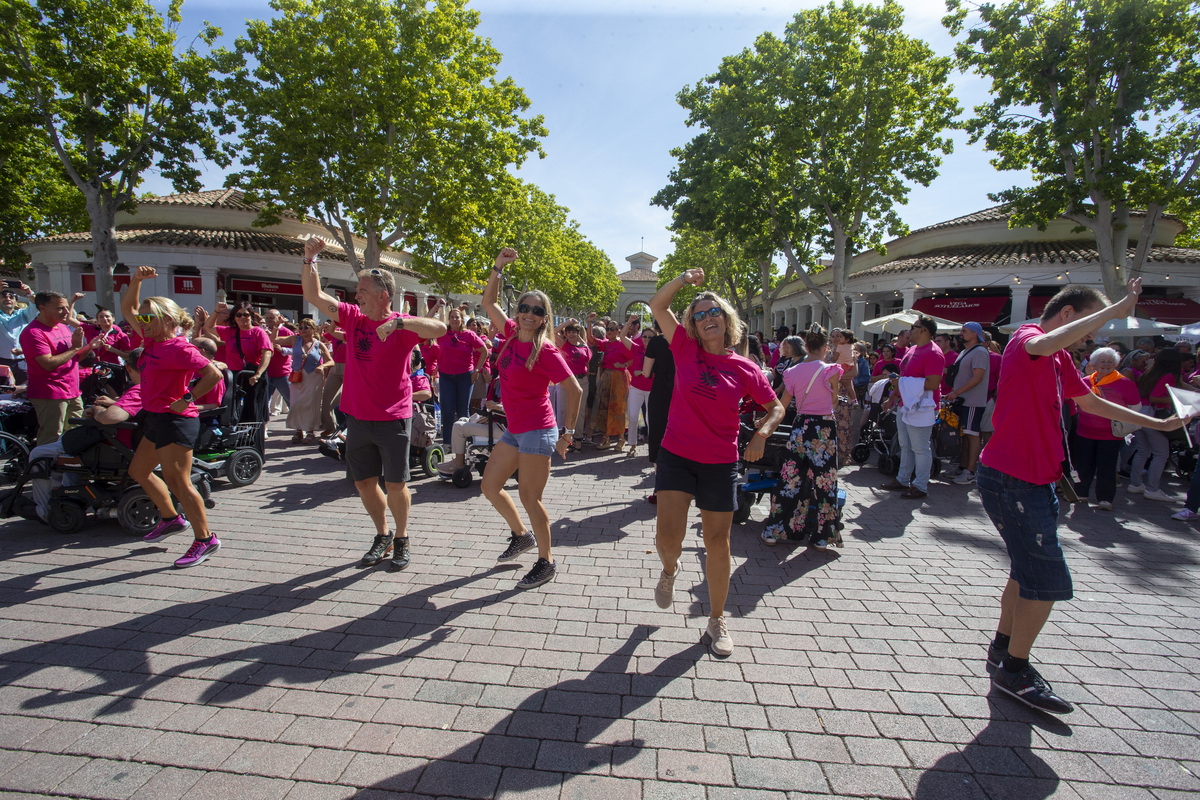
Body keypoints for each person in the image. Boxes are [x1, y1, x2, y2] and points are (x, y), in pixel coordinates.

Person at [978, 280, 1188, 715]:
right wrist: (1113, 310)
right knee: (1048, 581)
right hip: (1014, 479)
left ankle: (1002, 650)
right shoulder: (1027, 340)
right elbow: (1048, 341)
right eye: (1090, 329)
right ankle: (1014, 671)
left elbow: (1090, 403)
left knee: (1026, 571)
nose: (1092, 339)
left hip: (1033, 480)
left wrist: (1160, 425)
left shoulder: (1056, 357)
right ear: (1070, 315)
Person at [647, 270, 784, 658]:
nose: (708, 317)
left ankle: (717, 618)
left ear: (726, 320)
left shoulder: (745, 367)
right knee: (667, 539)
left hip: (720, 462)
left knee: (717, 543)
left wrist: (761, 434)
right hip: (676, 454)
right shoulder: (683, 348)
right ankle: (670, 570)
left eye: (715, 312)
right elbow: (657, 305)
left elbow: (774, 407)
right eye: (700, 313)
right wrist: (681, 280)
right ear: (693, 324)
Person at [301, 237, 447, 571]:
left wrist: (399, 322)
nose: (357, 297)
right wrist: (310, 261)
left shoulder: (402, 325)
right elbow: (314, 295)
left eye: (363, 291)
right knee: (364, 482)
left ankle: (402, 537)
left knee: (395, 484)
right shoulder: (353, 318)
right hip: (357, 417)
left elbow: (437, 327)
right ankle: (382, 534)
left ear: (383, 295)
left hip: (393, 417)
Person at [479, 247, 581, 589]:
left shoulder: (546, 350)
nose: (527, 314)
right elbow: (488, 303)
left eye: (536, 311)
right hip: (515, 429)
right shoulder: (509, 333)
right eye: (523, 308)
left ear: (544, 317)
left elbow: (575, 390)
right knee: (490, 486)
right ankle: (521, 535)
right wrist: (498, 268)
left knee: (529, 497)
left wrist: (568, 433)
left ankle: (546, 561)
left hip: (539, 430)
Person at [121, 267, 225, 568]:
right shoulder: (151, 340)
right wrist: (137, 281)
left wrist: (186, 399)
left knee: (179, 483)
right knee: (139, 471)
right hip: (155, 418)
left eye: (148, 317)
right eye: (142, 318)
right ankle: (170, 518)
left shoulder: (179, 347)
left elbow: (213, 374)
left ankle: (205, 539)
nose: (141, 321)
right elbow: (127, 308)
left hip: (177, 421)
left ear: (167, 320)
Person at [28, 347, 145, 524]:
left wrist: (96, 410)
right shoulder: (157, 389)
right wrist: (115, 403)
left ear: (128, 368)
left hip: (112, 446)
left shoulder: (138, 390)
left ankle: (44, 510)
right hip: (120, 443)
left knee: (38, 454)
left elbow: (111, 417)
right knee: (67, 454)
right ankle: (69, 496)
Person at [763, 326, 843, 548]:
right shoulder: (832, 370)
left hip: (801, 425)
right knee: (825, 482)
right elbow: (834, 402)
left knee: (790, 479)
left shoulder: (792, 372)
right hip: (825, 428)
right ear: (826, 347)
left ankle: (776, 530)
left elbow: (783, 404)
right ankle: (822, 536)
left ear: (806, 346)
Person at [20, 291, 102, 446]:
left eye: (66, 307)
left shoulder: (62, 327)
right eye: (60, 308)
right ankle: (44, 468)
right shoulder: (33, 332)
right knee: (51, 436)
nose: (66, 312)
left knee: (75, 434)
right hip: (50, 393)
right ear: (42, 308)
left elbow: (74, 358)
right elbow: (48, 364)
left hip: (72, 391)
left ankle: (67, 468)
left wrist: (90, 346)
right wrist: (74, 348)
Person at [881, 316, 944, 500]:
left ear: (923, 330)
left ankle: (920, 486)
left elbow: (933, 382)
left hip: (922, 407)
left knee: (920, 447)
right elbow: (903, 377)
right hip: (905, 404)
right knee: (905, 445)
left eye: (913, 327)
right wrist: (893, 398)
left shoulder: (933, 353)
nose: (909, 331)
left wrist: (903, 383)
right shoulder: (913, 350)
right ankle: (903, 479)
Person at [1070, 347, 1141, 511]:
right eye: (1102, 361)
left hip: (1111, 435)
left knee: (1107, 467)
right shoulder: (1085, 382)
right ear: (1094, 364)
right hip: (1085, 431)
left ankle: (1105, 499)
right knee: (1083, 465)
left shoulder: (1125, 383)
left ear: (1116, 364)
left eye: (1110, 362)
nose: (1106, 365)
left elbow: (1135, 408)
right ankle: (1081, 494)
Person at [205, 300, 273, 426]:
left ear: (251, 316)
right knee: (233, 408)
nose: (242, 318)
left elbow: (267, 354)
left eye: (246, 315)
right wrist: (217, 312)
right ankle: (235, 434)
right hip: (235, 375)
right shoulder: (230, 331)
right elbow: (208, 327)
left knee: (252, 409)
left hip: (252, 375)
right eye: (239, 315)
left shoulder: (258, 332)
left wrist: (258, 374)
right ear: (234, 317)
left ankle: (253, 437)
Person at [1128, 347, 1181, 502]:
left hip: (1140, 412)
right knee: (1161, 453)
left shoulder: (1150, 372)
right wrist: (1176, 400)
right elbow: (1154, 398)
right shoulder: (1169, 375)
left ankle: (1135, 483)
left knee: (1143, 450)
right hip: (1153, 414)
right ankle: (1152, 488)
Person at [944, 321, 990, 485]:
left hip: (972, 401)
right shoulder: (965, 351)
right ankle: (963, 466)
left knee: (972, 435)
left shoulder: (980, 352)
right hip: (962, 400)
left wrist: (957, 392)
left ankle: (970, 471)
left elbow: (977, 377)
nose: (961, 334)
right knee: (964, 436)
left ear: (974, 334)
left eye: (964, 331)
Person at [436, 306, 489, 446]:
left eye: (457, 317)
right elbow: (429, 324)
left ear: (461, 320)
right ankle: (447, 442)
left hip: (465, 376)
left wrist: (477, 371)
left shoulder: (469, 335)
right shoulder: (442, 333)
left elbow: (484, 351)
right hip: (446, 376)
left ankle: (463, 443)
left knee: (462, 409)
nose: (454, 319)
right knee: (447, 409)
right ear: (448, 319)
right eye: (452, 317)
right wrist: (436, 307)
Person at [274, 318, 334, 443]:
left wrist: (322, 366)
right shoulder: (295, 339)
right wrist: (276, 326)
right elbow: (274, 340)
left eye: (306, 327)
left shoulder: (319, 344)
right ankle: (298, 430)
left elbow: (331, 361)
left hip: (313, 376)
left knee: (311, 405)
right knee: (296, 404)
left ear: (313, 329)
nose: (302, 330)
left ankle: (310, 431)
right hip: (297, 376)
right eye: (300, 327)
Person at [587, 314, 634, 451]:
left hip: (620, 378)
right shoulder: (606, 343)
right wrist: (589, 322)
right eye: (608, 329)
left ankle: (621, 439)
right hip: (606, 378)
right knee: (605, 408)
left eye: (613, 329)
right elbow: (591, 339)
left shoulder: (623, 343)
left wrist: (624, 364)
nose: (610, 331)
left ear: (618, 330)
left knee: (619, 408)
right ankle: (605, 437)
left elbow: (634, 358)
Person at [641, 318, 675, 504]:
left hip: (661, 394)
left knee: (658, 437)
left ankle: (660, 488)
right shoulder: (687, 340)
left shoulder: (656, 342)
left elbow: (646, 373)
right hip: (682, 395)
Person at [552, 319, 591, 453]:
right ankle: (566, 439)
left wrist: (579, 333)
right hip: (567, 381)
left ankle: (578, 440)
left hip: (582, 381)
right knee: (564, 410)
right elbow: (553, 332)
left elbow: (588, 363)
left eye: (574, 332)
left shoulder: (584, 346)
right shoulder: (564, 344)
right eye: (568, 332)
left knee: (579, 412)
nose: (571, 334)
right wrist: (567, 322)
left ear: (578, 333)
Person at [621, 324, 655, 457]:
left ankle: (652, 448)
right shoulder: (637, 348)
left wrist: (641, 372)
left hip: (652, 389)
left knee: (650, 419)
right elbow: (622, 336)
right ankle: (632, 446)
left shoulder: (660, 351)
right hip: (636, 388)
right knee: (633, 417)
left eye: (650, 337)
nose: (646, 339)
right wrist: (629, 321)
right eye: (644, 336)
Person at [0, 282, 37, 383]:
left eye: (11, 297)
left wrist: (29, 292)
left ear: (16, 301)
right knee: (4, 392)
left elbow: (36, 305)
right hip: (2, 362)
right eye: (3, 296)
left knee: (26, 390)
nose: (8, 299)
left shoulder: (23, 314)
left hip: (22, 362)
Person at [263, 308, 294, 416]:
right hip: (266, 372)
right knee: (263, 402)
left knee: (292, 401)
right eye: (267, 318)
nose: (269, 320)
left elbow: (296, 350)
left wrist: (283, 350)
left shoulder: (286, 332)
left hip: (282, 373)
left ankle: (300, 428)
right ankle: (263, 428)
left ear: (278, 318)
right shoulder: (262, 331)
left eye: (271, 318)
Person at [318, 320, 346, 435]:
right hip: (335, 366)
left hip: (350, 367)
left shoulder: (354, 332)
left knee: (346, 400)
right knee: (327, 397)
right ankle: (330, 426)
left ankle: (345, 428)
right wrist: (321, 328)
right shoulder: (336, 332)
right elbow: (320, 338)